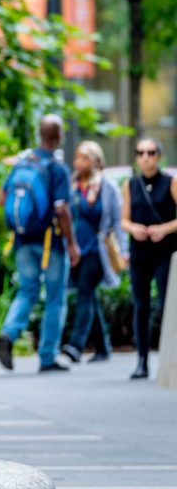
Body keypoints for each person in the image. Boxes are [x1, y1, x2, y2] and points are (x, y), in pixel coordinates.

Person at [0, 116, 81, 373]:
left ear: (39, 133)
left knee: (27, 291)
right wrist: (72, 243)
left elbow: (1, 197)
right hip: (50, 244)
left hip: (21, 241)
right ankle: (47, 356)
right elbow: (62, 208)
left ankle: (9, 333)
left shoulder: (22, 163)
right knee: (55, 297)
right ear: (58, 137)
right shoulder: (57, 169)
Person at [61, 141, 125, 364]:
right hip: (75, 249)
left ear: (97, 161)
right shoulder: (71, 186)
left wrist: (124, 250)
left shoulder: (108, 188)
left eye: (85, 158)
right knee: (89, 296)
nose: (79, 162)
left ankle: (76, 346)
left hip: (97, 250)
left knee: (85, 292)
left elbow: (118, 221)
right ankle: (103, 347)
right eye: (77, 157)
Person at [121, 136, 177, 380]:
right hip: (139, 253)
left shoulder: (170, 183)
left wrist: (164, 229)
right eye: (141, 152)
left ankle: (168, 358)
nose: (145, 157)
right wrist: (132, 228)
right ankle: (142, 360)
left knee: (167, 307)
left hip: (165, 253)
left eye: (151, 152)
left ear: (159, 156)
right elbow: (124, 219)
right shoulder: (130, 185)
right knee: (141, 306)